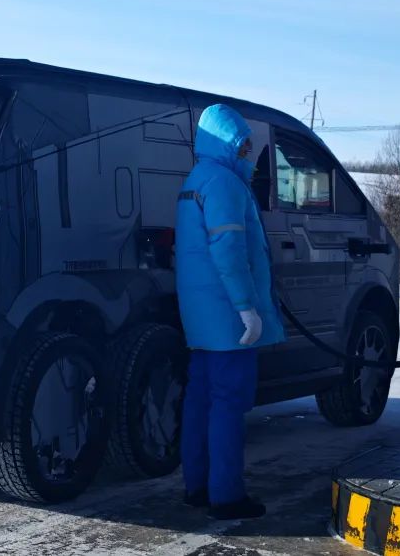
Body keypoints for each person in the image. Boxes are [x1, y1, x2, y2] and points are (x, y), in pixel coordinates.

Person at [175, 103, 285, 520]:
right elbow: (229, 251)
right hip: (228, 321)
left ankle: (198, 486)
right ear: (226, 143)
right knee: (228, 405)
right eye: (242, 146)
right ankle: (227, 495)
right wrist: (247, 308)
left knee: (200, 401)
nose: (247, 156)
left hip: (202, 319)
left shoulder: (196, 180)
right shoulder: (224, 184)